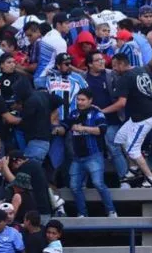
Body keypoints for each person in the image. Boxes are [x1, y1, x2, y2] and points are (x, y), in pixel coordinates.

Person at [101, 53, 152, 187]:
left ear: (122, 64)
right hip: (143, 114)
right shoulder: (142, 69)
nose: (114, 69)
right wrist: (151, 99)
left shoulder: (125, 78)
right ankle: (134, 168)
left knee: (133, 149)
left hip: (143, 118)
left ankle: (151, 178)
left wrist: (102, 111)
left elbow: (121, 103)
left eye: (115, 65)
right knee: (120, 138)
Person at [64, 89, 117, 217]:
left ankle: (112, 211)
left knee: (98, 184)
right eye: (78, 99)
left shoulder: (97, 114)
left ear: (90, 100)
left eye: (83, 100)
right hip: (77, 158)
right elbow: (66, 125)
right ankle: (82, 213)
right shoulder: (73, 114)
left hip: (93, 155)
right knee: (74, 186)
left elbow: (102, 130)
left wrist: (83, 128)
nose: (80, 102)